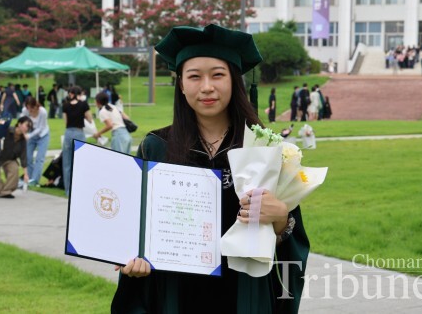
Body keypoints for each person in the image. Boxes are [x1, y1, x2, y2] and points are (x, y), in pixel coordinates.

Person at [110, 24, 309, 314]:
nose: (206, 87)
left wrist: (280, 218)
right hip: (176, 295)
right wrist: (132, 260)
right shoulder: (156, 147)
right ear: (180, 84)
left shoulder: (262, 147)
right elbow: (137, 230)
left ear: (235, 81)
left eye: (217, 75)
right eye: (194, 76)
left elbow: (289, 242)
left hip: (244, 293)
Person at [0, 116, 32, 198]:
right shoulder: (5, 129)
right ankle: (0, 190)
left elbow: (23, 156)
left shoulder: (23, 140)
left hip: (9, 158)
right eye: (27, 125)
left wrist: (26, 174)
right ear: (19, 124)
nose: (28, 128)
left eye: (29, 127)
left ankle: (6, 192)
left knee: (14, 170)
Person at [62, 86, 93, 196]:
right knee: (81, 161)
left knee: (67, 163)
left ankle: (68, 191)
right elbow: (90, 119)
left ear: (70, 94)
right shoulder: (84, 104)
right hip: (79, 133)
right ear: (80, 94)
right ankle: (80, 188)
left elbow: (65, 122)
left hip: (68, 133)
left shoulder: (65, 105)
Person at [22, 97, 50, 187]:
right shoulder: (25, 111)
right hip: (30, 135)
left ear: (36, 106)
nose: (30, 110)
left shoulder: (43, 112)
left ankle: (35, 180)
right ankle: (29, 178)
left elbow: (41, 128)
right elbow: (22, 123)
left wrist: (29, 135)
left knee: (39, 158)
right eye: (28, 108)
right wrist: (23, 133)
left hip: (43, 136)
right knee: (28, 157)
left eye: (31, 108)